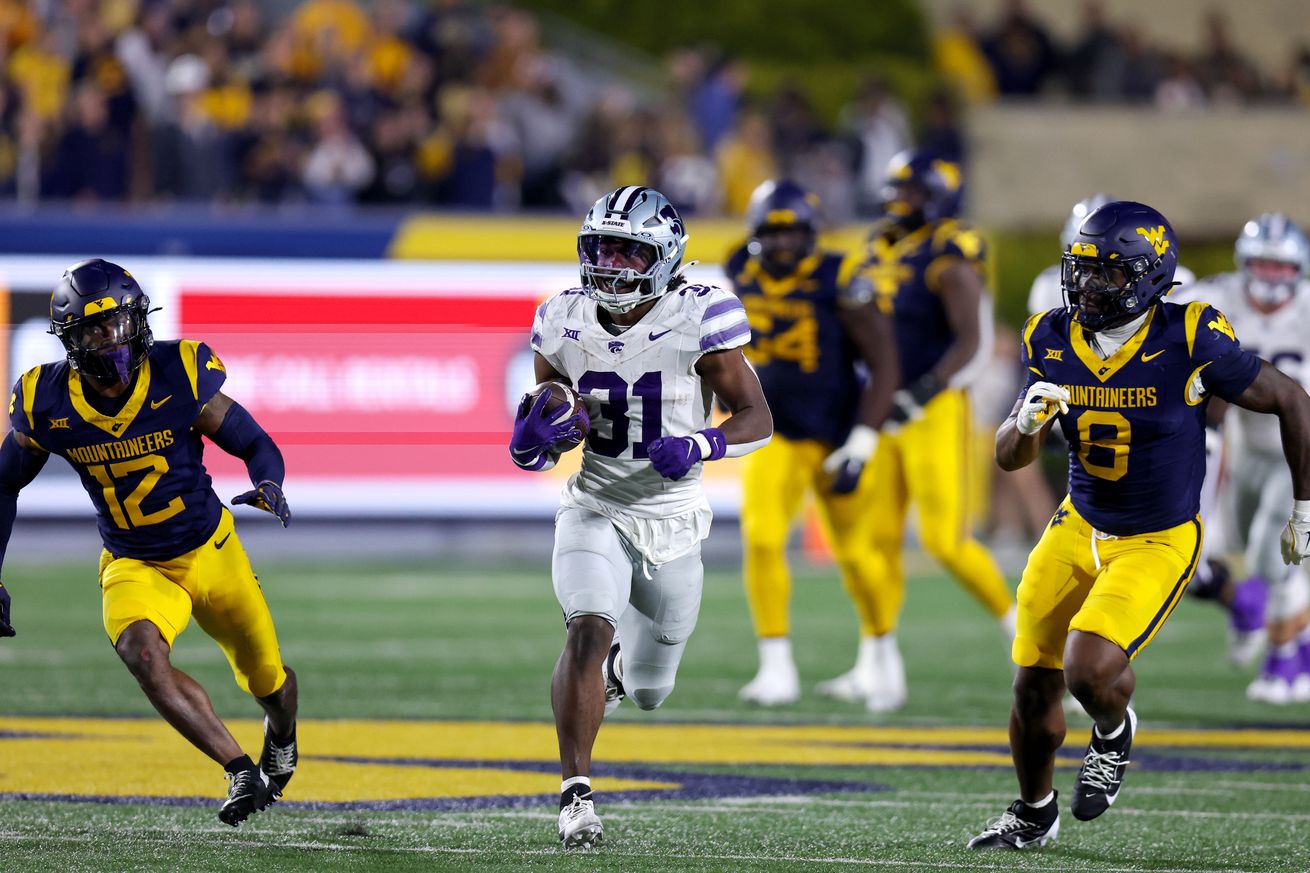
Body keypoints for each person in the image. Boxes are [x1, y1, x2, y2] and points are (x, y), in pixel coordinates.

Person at [968, 201, 1310, 850]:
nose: (1089, 286)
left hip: (1158, 532)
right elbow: (1009, 453)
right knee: (1031, 680)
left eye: (1110, 273)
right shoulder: (1048, 334)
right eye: (1083, 270)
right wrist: (1025, 424)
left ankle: (1113, 729)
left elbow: (1293, 399)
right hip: (1079, 520)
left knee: (1087, 669)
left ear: (1152, 276)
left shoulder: (1191, 334)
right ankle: (1033, 811)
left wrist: (1304, 506)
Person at [509, 186, 772, 849]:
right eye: (601, 248)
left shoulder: (700, 314)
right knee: (587, 629)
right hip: (596, 506)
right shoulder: (563, 317)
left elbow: (758, 418)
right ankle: (576, 796)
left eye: (629, 250)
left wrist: (703, 442)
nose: (612, 264)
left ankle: (622, 675)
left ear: (666, 256)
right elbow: (551, 413)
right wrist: (535, 443)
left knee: (652, 689)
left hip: (675, 522)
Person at [0, 259, 299, 826]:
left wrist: (269, 483)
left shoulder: (179, 373)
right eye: (94, 328)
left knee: (270, 683)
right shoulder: (47, 401)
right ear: (71, 338)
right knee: (140, 653)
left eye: (117, 322)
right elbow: (3, 484)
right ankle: (238, 768)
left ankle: (281, 737)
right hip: (134, 563)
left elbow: (255, 441)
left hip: (212, 552)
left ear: (139, 321)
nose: (109, 339)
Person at [843, 148, 1016, 712]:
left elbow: (974, 341)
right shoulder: (876, 247)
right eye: (898, 190)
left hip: (933, 408)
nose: (901, 200)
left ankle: (1022, 630)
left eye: (913, 192)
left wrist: (923, 392)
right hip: (880, 406)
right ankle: (877, 658)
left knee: (944, 539)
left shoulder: (951, 252)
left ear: (938, 198)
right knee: (876, 540)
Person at [727, 179, 899, 706]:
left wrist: (865, 439)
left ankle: (882, 655)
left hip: (836, 433)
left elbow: (885, 361)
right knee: (760, 538)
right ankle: (776, 666)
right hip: (772, 430)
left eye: (793, 233)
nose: (782, 244)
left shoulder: (839, 275)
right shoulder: (739, 268)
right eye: (773, 234)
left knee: (855, 553)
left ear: (811, 234)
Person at [1172, 213, 1310, 701]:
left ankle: (1287, 664)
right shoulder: (1221, 297)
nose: (1270, 277)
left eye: (1280, 267)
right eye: (1262, 265)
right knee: (1230, 550)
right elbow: (1168, 309)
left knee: (1271, 560)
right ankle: (1292, 642)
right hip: (1245, 445)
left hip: (1297, 453)